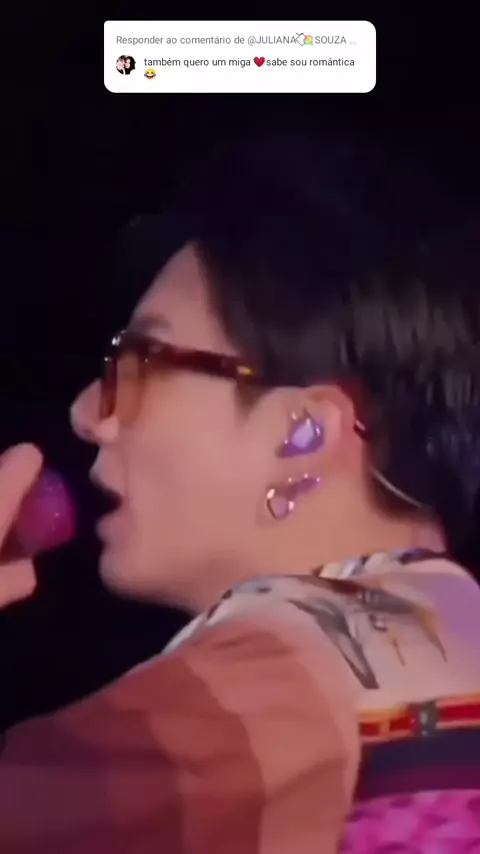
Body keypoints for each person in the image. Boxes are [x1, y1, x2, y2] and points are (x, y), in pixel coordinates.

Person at [1, 134, 480, 852]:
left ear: (303, 435)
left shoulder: (293, 672)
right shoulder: (444, 645)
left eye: (143, 361)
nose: (87, 413)